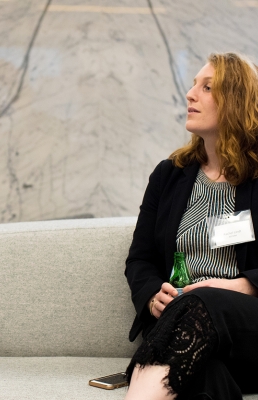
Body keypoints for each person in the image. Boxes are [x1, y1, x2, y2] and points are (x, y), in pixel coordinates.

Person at [124, 52, 258, 400]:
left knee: (203, 300)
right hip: (185, 327)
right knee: (205, 378)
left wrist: (241, 286)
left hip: (247, 326)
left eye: (207, 87)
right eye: (194, 84)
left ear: (236, 101)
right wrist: (153, 293)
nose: (190, 93)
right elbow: (140, 259)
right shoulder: (169, 175)